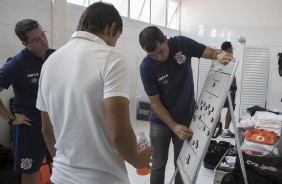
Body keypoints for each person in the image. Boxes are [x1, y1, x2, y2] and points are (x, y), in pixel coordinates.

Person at [36, 2, 152, 184]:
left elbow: (46, 129)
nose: (114, 44)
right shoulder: (112, 58)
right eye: (117, 37)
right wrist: (138, 160)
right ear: (112, 27)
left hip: (60, 177)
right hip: (103, 178)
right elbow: (119, 133)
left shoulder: (49, 63)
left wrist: (63, 166)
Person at [138, 26, 233, 184]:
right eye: (152, 55)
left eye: (160, 51)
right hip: (160, 122)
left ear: (165, 39)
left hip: (186, 118)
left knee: (182, 165)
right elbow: (155, 103)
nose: (159, 58)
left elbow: (206, 51)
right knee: (157, 165)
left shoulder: (181, 44)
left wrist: (218, 54)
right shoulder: (146, 67)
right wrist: (174, 126)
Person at [0, 19, 55, 184]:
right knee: (30, 172)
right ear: (25, 43)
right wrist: (11, 118)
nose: (44, 41)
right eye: (36, 39)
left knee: (62, 164)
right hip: (30, 127)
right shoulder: (16, 63)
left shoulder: (55, 56)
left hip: (54, 124)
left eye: (43, 35)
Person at [220, 41, 237, 138]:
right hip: (228, 88)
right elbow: (232, 75)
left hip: (221, 87)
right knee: (231, 108)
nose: (233, 50)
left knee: (218, 109)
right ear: (228, 49)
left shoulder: (220, 58)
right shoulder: (229, 59)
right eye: (232, 48)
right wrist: (234, 87)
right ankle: (225, 131)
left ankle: (217, 129)